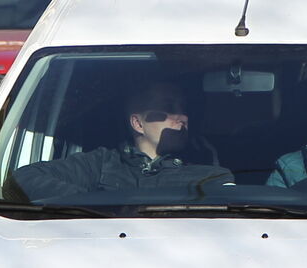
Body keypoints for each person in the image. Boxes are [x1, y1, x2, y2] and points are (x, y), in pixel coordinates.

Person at [13, 81, 232, 201]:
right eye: (168, 108)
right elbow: (25, 178)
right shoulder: (102, 163)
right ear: (138, 124)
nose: (181, 116)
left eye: (183, 109)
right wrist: (95, 206)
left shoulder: (209, 173)